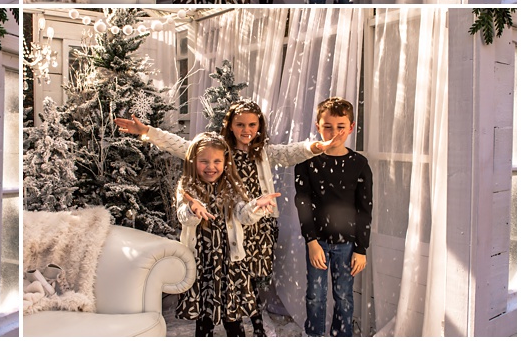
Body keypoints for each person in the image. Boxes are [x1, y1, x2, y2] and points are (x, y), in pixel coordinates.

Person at [118, 103, 346, 336]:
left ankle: (256, 326)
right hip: (227, 223)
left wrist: (319, 146)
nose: (246, 129)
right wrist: (148, 131)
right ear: (230, 125)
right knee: (229, 276)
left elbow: (291, 152)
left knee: (250, 278)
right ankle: (224, 321)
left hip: (256, 221)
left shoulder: (262, 151)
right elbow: (184, 147)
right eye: (240, 124)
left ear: (259, 126)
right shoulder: (220, 150)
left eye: (252, 124)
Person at [174, 132, 279, 336]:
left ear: (226, 162)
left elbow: (242, 215)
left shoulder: (231, 186)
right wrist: (192, 209)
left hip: (229, 262)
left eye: (216, 161)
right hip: (203, 263)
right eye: (204, 161)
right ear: (193, 161)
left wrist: (256, 206)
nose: (210, 167)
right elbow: (182, 217)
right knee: (205, 319)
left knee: (233, 318)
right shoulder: (187, 189)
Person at [294, 97, 373, 337]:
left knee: (344, 297)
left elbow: (364, 209)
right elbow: (303, 203)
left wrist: (361, 248)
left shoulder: (359, 164)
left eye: (341, 127)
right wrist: (311, 242)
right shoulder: (307, 161)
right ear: (318, 126)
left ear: (351, 127)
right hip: (317, 242)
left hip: (347, 245)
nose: (334, 132)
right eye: (328, 126)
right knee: (315, 297)